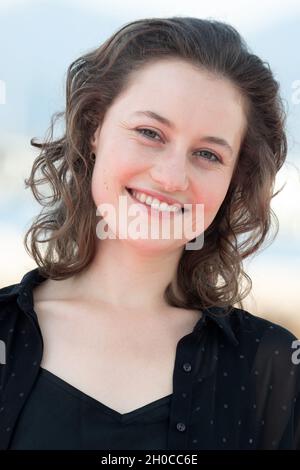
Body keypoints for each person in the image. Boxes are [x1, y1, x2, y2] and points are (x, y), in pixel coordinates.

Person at [0, 17, 299, 451]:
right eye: (149, 132)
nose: (171, 176)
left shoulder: (272, 367)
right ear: (94, 129)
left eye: (207, 154)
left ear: (235, 180)